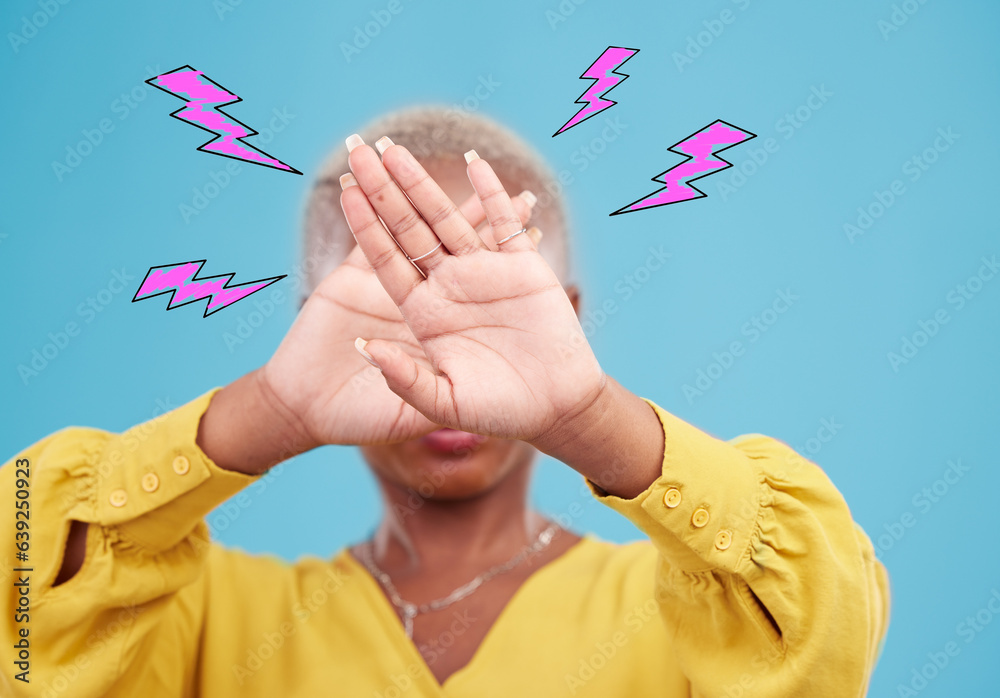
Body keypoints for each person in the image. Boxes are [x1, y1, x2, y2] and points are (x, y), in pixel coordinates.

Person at [1, 107, 889, 697]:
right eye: (396, 305)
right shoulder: (211, 624)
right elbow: (25, 592)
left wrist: (586, 416)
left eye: (495, 310)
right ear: (316, 326)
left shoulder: (684, 614)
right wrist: (271, 409)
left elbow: (829, 626)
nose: (452, 369)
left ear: (568, 321)